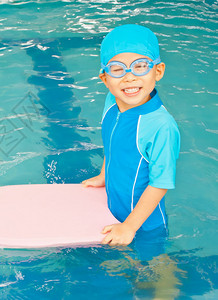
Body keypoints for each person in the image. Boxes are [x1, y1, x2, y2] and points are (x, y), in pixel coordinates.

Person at [82, 24, 180, 247]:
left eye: (140, 66)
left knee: (156, 273)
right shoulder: (112, 103)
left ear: (158, 71)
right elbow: (113, 144)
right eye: (117, 69)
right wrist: (103, 175)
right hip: (113, 211)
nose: (129, 77)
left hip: (145, 224)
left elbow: (160, 183)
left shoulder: (161, 126)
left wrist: (130, 226)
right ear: (105, 79)